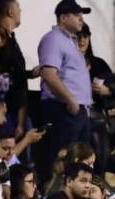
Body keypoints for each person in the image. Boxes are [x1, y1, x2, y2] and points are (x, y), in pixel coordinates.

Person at [38, 0, 95, 175]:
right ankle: (57, 194)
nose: (81, 19)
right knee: (64, 160)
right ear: (63, 18)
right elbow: (49, 74)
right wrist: (70, 99)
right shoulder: (54, 39)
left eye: (82, 16)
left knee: (80, 160)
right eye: (77, 16)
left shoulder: (70, 41)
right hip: (63, 108)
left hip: (77, 110)